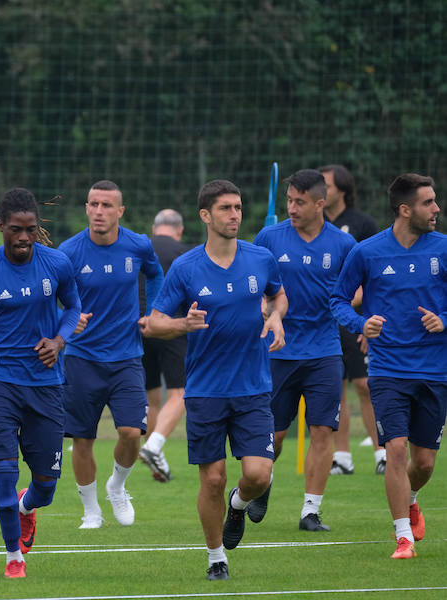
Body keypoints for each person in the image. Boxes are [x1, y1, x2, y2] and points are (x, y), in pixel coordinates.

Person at [142, 179, 286, 581]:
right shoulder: (186, 267)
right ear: (205, 215)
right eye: (225, 208)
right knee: (213, 478)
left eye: (238, 207)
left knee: (258, 474)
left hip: (254, 386)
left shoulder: (260, 258)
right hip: (205, 391)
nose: (235, 215)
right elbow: (154, 322)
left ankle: (238, 506)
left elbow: (279, 295)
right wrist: (181, 324)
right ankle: (215, 556)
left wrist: (275, 316)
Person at [0, 188, 81, 579]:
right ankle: (13, 557)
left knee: (47, 486)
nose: (23, 237)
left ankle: (28, 506)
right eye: (15, 230)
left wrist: (58, 341)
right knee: (4, 470)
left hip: (46, 386)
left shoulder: (56, 264)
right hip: (1, 384)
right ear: (0, 227)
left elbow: (72, 308)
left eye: (30, 229)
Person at [330, 173, 446, 559]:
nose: (436, 209)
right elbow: (338, 301)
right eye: (428, 203)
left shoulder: (443, 249)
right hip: (387, 369)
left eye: (435, 201)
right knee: (394, 448)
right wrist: (361, 324)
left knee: (424, 462)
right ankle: (403, 537)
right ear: (405, 209)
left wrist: (444, 318)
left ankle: (411, 497)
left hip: (434, 370)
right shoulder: (366, 252)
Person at [253, 169, 356, 532]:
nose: (292, 208)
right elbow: (254, 283)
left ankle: (310, 511)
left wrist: (352, 314)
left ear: (319, 203)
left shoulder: (343, 245)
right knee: (275, 437)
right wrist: (265, 308)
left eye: (299, 202)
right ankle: (261, 480)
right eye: (289, 201)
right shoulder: (269, 236)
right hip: (278, 351)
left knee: (322, 431)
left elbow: (357, 291)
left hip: (325, 350)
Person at [57, 180, 163, 529]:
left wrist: (155, 311)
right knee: (82, 439)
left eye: (106, 206)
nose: (98, 212)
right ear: (86, 208)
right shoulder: (69, 252)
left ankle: (117, 486)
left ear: (121, 211)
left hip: (127, 357)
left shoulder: (139, 245)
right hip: (81, 358)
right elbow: (49, 299)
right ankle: (91, 511)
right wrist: (68, 320)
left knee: (132, 432)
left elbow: (155, 273)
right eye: (93, 204)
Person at [319, 164, 384, 475]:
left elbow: (374, 278)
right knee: (336, 389)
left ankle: (381, 452)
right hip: (323, 321)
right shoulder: (311, 223)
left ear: (341, 189)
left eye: (326, 186)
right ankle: (342, 457)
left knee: (364, 385)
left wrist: (365, 319)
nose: (321, 192)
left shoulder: (362, 224)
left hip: (355, 318)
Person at [139, 208, 191, 482]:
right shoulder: (185, 252)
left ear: (154, 227)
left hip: (140, 327)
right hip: (172, 328)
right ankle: (153, 445)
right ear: (179, 229)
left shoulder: (141, 249)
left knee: (152, 398)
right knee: (179, 393)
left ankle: (155, 459)